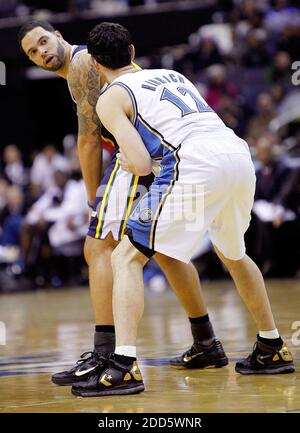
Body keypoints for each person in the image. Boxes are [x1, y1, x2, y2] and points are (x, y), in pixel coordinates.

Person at [72, 22, 295, 397]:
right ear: (132, 53)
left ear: (94, 64)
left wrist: (127, 162)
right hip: (237, 154)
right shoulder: (171, 74)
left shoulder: (110, 96)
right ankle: (271, 346)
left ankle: (124, 365)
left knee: (126, 257)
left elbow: (141, 163)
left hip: (192, 164)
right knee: (234, 253)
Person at [18, 21, 228, 386]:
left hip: (139, 159)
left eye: (43, 42)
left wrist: (91, 197)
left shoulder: (83, 65)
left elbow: (88, 141)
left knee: (97, 245)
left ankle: (104, 354)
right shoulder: (93, 67)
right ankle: (205, 340)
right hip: (169, 156)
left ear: (59, 37)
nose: (41, 53)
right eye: (32, 52)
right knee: (165, 252)